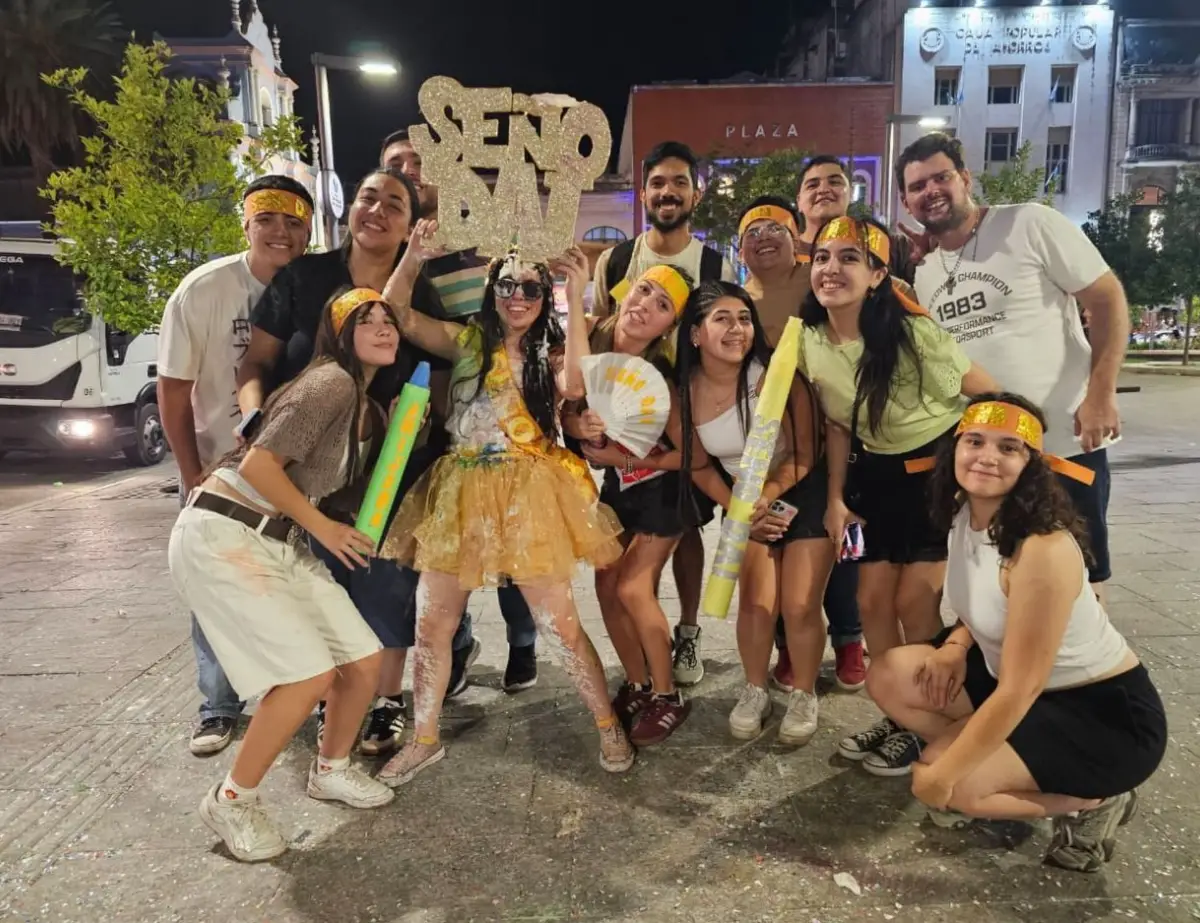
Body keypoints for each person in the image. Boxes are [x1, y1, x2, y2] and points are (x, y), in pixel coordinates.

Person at [373, 220, 634, 785]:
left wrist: (577, 294)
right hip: (460, 491)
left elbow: (574, 387)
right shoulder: (467, 340)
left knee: (560, 626)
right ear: (491, 291)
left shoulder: (553, 350)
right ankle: (423, 738)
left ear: (544, 295)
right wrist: (412, 256)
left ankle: (608, 723)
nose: (518, 297)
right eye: (507, 285)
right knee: (431, 625)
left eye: (531, 288)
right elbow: (396, 313)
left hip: (529, 494)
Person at [235, 167, 479, 757]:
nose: (377, 210)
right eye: (368, 197)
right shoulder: (304, 278)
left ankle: (386, 701)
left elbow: (441, 377)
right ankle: (331, 699)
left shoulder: (420, 293)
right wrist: (255, 421)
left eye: (394, 204)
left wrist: (427, 426)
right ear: (349, 208)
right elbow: (255, 363)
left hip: (394, 468)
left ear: (411, 224)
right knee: (317, 584)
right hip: (308, 471)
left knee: (387, 585)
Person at [866, 393, 1166, 873]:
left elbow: (1021, 687)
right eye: (975, 441)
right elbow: (989, 609)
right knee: (891, 673)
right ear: (954, 449)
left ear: (1031, 465)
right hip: (1016, 684)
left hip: (1100, 714)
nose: (987, 456)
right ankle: (1005, 764)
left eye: (1009, 447)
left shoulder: (1042, 550)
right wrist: (955, 647)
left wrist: (945, 775)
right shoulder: (965, 514)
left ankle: (1095, 799)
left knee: (948, 781)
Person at [168, 287, 404, 862]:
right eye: (365, 320)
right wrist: (326, 530)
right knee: (306, 675)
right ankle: (232, 799)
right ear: (338, 334)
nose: (383, 327)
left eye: (390, 320)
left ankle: (332, 768)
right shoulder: (331, 382)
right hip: (226, 530)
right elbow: (258, 466)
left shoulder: (365, 405)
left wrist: (401, 430)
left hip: (281, 539)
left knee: (362, 658)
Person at [798, 216, 999, 776]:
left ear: (878, 275)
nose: (831, 268)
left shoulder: (913, 333)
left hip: (932, 480)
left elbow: (986, 392)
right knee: (869, 604)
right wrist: (836, 500)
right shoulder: (808, 341)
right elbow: (837, 427)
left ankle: (930, 715)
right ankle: (897, 711)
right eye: (822, 257)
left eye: (850, 258)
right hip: (870, 482)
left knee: (915, 603)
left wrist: (986, 467)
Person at [897, 133, 1130, 606]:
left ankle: (1085, 656)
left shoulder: (1029, 223)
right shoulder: (924, 268)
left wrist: (1101, 393)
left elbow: (1107, 300)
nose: (931, 191)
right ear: (906, 201)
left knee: (1079, 578)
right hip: (987, 453)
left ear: (966, 179)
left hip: (1065, 439)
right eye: (918, 186)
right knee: (1000, 577)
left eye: (941, 178)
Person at [158, 175, 313, 756]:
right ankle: (219, 705)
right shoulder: (203, 290)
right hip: (220, 470)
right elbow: (173, 390)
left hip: (297, 472)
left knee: (300, 584)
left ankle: (303, 692)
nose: (280, 232)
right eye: (266, 219)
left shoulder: (318, 286)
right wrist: (189, 471)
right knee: (215, 589)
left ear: (308, 232)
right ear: (245, 223)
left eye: (293, 222)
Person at [382, 129, 541, 690]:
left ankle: (523, 643)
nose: (410, 169)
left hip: (514, 408)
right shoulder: (393, 246)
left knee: (519, 542)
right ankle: (457, 644)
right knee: (450, 544)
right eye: (396, 162)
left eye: (419, 160)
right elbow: (396, 316)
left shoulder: (491, 233)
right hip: (439, 420)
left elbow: (533, 295)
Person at [592, 140, 737, 688]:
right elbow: (603, 332)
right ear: (643, 193)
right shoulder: (617, 260)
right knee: (631, 552)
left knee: (688, 530)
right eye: (657, 183)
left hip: (689, 418)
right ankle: (646, 651)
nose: (668, 192)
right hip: (629, 426)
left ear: (695, 193)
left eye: (679, 182)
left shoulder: (713, 264)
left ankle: (688, 631)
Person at [678, 281, 836, 744]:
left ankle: (804, 694)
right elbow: (698, 465)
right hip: (744, 503)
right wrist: (743, 510)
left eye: (744, 319)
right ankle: (754, 689)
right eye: (722, 319)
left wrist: (768, 494)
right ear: (695, 334)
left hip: (802, 489)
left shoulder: (777, 376)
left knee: (800, 604)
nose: (737, 329)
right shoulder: (684, 391)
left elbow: (807, 452)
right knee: (755, 603)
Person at [562, 265, 706, 746]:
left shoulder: (663, 376)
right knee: (606, 585)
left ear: (669, 327)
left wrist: (622, 457)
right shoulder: (592, 340)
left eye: (663, 305)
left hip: (667, 492)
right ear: (626, 293)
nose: (646, 305)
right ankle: (638, 683)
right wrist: (576, 426)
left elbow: (692, 457)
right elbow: (568, 404)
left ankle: (668, 695)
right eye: (644, 290)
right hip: (619, 490)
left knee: (633, 588)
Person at [737, 195, 866, 695]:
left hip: (838, 435)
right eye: (752, 232)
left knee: (845, 541)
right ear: (741, 250)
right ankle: (789, 647)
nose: (764, 238)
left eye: (776, 229)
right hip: (773, 450)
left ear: (798, 242)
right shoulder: (738, 301)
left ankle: (850, 638)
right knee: (779, 551)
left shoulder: (817, 282)